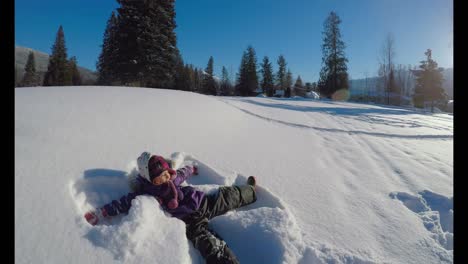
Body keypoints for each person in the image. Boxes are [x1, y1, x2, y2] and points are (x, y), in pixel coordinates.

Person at [84, 151, 257, 264]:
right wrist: (102, 212)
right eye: (159, 179)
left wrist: (191, 169)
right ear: (149, 179)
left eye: (166, 175)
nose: (165, 180)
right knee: (211, 247)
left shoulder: (174, 178)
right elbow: (123, 203)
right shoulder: (147, 193)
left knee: (228, 196)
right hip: (190, 223)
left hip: (204, 203)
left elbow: (182, 173)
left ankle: (249, 190)